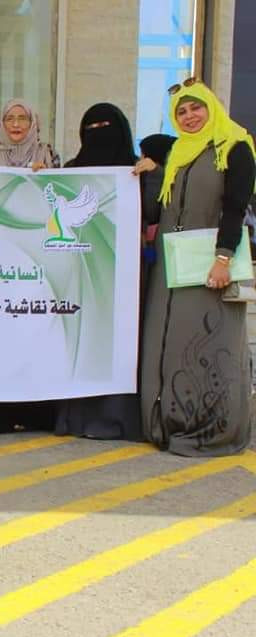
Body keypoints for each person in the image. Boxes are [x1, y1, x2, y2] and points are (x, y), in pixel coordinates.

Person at [135, 79, 255, 456]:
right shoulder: (178, 152)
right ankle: (167, 422)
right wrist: (151, 169)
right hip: (171, 267)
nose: (189, 116)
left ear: (211, 107)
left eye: (196, 108)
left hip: (209, 267)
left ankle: (211, 428)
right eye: (181, 111)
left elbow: (236, 207)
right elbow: (160, 199)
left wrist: (223, 258)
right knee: (169, 341)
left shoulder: (234, 147)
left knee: (208, 341)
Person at [54, 103, 142, 441]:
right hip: (79, 277)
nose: (99, 134)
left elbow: (151, 211)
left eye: (106, 127)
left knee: (118, 345)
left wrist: (153, 173)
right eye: (91, 129)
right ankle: (74, 420)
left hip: (123, 279)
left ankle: (118, 419)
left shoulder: (136, 170)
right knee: (81, 344)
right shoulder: (72, 170)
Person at [0, 99, 60, 169]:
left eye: (22, 119)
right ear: (2, 124)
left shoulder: (47, 154)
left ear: (32, 123)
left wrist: (44, 172)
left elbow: (56, 176)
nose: (15, 124)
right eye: (9, 119)